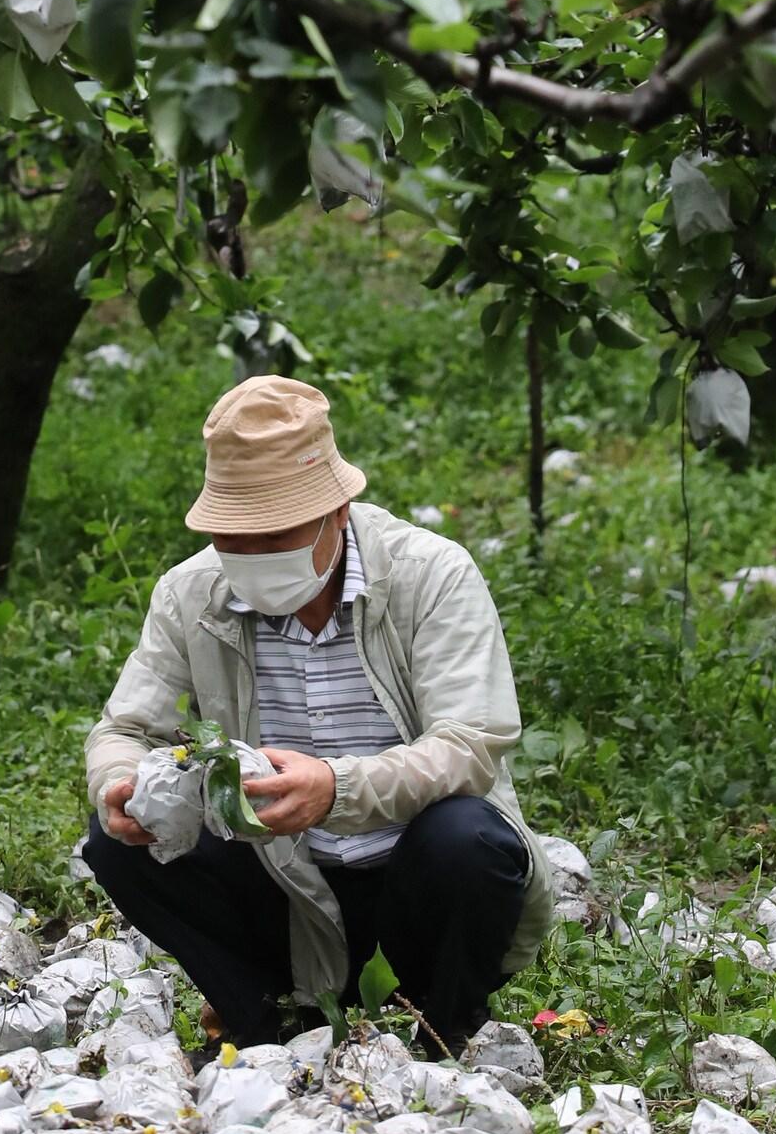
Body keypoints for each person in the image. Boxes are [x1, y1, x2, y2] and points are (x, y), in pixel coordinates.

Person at [83, 374, 553, 1055]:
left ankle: (445, 1028)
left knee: (466, 838)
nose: (251, 557)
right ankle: (260, 1023)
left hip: (412, 882)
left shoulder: (431, 574)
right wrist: (118, 782)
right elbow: (124, 729)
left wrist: (336, 789)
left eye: (274, 535)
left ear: (338, 511)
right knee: (114, 843)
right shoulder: (191, 594)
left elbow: (470, 742)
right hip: (283, 884)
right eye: (232, 538)